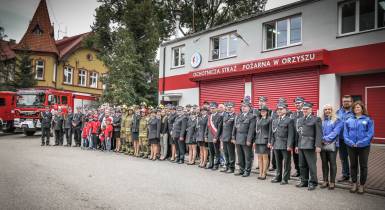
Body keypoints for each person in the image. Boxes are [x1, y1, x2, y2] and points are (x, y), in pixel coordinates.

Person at [344, 101, 374, 194]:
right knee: (353, 165)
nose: (356, 109)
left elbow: (370, 134)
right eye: (355, 107)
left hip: (364, 146)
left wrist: (360, 143)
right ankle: (354, 183)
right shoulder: (348, 120)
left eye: (358, 107)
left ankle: (362, 185)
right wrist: (350, 142)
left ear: (362, 108)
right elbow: (345, 134)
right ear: (353, 109)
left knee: (363, 166)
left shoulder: (368, 120)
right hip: (351, 146)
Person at [295, 102, 322, 191]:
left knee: (311, 165)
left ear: (311, 109)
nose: (305, 110)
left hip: (310, 145)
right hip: (301, 145)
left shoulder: (316, 119)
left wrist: (318, 145)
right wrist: (296, 145)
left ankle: (313, 182)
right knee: (302, 165)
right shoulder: (300, 119)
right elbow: (298, 134)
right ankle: (304, 181)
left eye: (307, 109)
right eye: (304, 109)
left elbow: (319, 133)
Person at [269, 103, 294, 184]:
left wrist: (289, 145)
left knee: (286, 162)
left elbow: (291, 134)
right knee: (278, 162)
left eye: (281, 109)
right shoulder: (275, 120)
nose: (279, 111)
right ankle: (278, 176)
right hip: (276, 144)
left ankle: (285, 178)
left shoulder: (289, 120)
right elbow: (273, 133)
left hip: (285, 144)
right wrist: (272, 143)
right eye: (278, 110)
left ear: (285, 110)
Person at [320, 104, 343, 190]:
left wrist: (325, 139)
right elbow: (319, 131)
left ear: (332, 110)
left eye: (329, 109)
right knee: (324, 163)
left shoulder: (337, 120)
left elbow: (336, 132)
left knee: (332, 162)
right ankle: (325, 180)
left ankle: (332, 182)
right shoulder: (321, 120)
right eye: (325, 109)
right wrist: (322, 140)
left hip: (333, 144)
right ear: (324, 111)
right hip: (322, 144)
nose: (327, 111)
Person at [232, 99, 255, 177]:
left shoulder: (252, 117)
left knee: (247, 156)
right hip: (238, 138)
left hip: (246, 139)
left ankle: (247, 170)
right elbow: (235, 128)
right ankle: (241, 169)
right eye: (242, 106)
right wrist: (233, 137)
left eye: (245, 106)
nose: (243, 108)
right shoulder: (239, 116)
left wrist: (249, 140)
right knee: (240, 155)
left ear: (249, 108)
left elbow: (251, 130)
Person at [336, 95, 354, 182]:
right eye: (344, 101)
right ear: (342, 102)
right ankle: (345, 174)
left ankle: (354, 176)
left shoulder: (355, 111)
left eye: (348, 101)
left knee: (353, 158)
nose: (346, 103)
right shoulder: (338, 112)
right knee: (343, 158)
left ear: (351, 102)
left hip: (351, 139)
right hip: (341, 139)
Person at [253, 105, 272, 180]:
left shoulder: (269, 119)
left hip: (265, 140)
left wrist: (269, 141)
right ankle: (260, 172)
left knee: (265, 157)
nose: (262, 112)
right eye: (261, 111)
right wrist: (254, 141)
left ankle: (264, 173)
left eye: (264, 111)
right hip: (258, 140)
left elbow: (270, 132)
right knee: (259, 158)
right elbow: (256, 131)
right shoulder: (258, 120)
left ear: (267, 112)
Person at [219, 102, 236, 173]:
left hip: (230, 138)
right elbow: (222, 127)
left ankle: (231, 168)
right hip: (224, 137)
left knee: (231, 153)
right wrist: (221, 137)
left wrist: (233, 137)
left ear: (233, 108)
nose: (229, 108)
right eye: (228, 107)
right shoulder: (225, 115)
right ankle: (227, 166)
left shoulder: (235, 116)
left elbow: (234, 128)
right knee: (225, 153)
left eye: (230, 107)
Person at [290, 96, 305, 177]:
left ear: (303, 103)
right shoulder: (293, 114)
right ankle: (298, 170)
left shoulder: (305, 113)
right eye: (296, 103)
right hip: (294, 138)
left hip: (302, 138)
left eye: (299, 103)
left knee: (302, 156)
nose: (297, 104)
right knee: (295, 156)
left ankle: (303, 172)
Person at [206, 102, 223, 170]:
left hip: (215, 137)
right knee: (211, 152)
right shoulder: (209, 116)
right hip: (210, 137)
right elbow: (207, 127)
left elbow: (219, 128)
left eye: (213, 108)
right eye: (211, 108)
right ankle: (211, 164)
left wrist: (216, 137)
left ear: (216, 108)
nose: (212, 110)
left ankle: (216, 165)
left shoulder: (219, 116)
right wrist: (206, 136)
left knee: (216, 152)